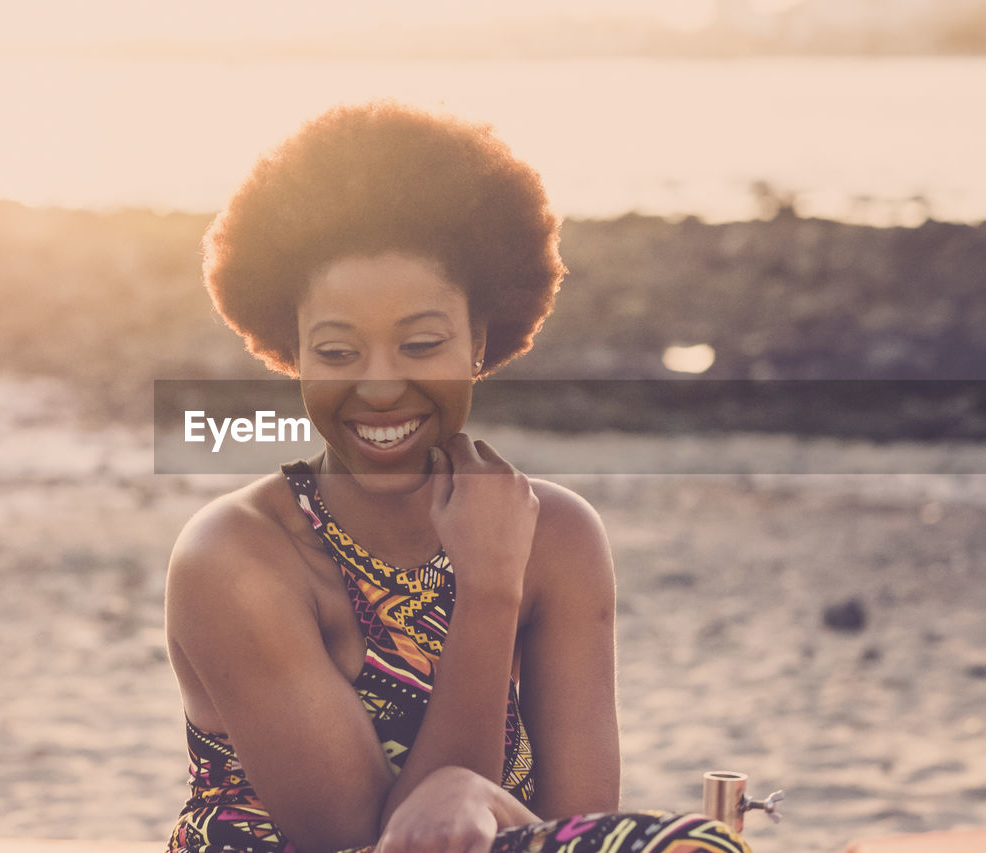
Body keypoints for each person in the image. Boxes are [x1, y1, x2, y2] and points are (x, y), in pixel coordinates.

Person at [164, 101, 750, 853]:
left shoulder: (558, 536)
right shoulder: (236, 556)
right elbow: (359, 843)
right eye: (338, 353)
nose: (379, 387)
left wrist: (472, 793)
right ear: (293, 352)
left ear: (480, 338)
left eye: (421, 343)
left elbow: (577, 831)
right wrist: (487, 590)